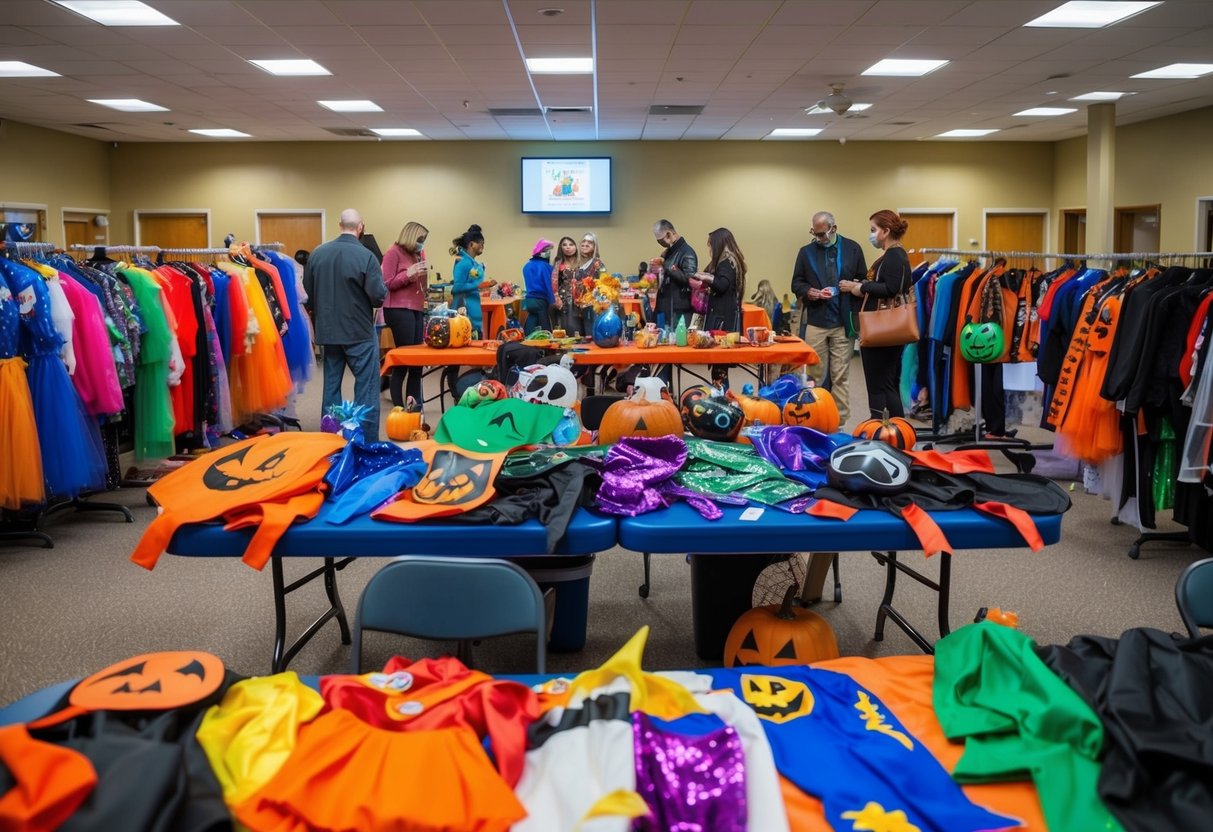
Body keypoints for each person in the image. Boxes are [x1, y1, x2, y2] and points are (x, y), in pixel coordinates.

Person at [303, 208, 386, 440]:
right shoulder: (366, 256)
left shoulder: (317, 254)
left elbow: (307, 292)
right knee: (367, 386)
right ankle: (366, 439)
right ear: (361, 228)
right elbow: (378, 296)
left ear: (340, 225)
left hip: (328, 331)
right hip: (358, 331)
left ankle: (329, 438)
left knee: (331, 386)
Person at [790, 210, 867, 425]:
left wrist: (852, 286)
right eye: (814, 234)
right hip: (816, 321)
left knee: (840, 375)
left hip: (843, 321)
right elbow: (796, 283)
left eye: (822, 234)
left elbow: (863, 280)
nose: (818, 238)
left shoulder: (853, 249)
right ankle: (812, 417)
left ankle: (839, 423)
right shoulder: (806, 252)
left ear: (833, 229)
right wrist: (810, 292)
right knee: (813, 374)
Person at [839, 209, 912, 419]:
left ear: (886, 231)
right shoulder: (893, 255)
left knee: (878, 386)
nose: (871, 234)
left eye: (873, 230)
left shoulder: (894, 256)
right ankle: (894, 431)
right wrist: (862, 285)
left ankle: (883, 430)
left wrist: (860, 287)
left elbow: (890, 289)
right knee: (887, 384)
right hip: (886, 328)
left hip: (883, 329)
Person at [381, 221, 429, 408]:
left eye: (424, 240)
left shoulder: (418, 254)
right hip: (398, 309)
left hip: (416, 308)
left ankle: (414, 406)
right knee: (404, 359)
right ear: (410, 237)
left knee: (417, 361)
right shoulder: (393, 252)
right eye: (420, 239)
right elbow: (387, 283)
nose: (422, 243)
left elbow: (420, 284)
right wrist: (408, 274)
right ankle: (399, 408)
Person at [694, 228, 745, 333]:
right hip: (726, 314)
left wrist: (706, 277)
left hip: (722, 318)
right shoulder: (731, 262)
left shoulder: (727, 262)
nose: (710, 249)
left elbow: (722, 285)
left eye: (711, 245)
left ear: (718, 244)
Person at [652, 219, 697, 330]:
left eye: (661, 241)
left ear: (668, 234)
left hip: (679, 310)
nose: (660, 244)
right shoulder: (670, 252)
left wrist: (665, 265)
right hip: (666, 307)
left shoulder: (687, 253)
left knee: (678, 342)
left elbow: (690, 280)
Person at [449, 224, 490, 336]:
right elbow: (457, 287)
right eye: (480, 244)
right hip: (465, 316)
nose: (482, 247)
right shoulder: (463, 262)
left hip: (473, 318)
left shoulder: (472, 262)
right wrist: (478, 285)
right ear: (471, 244)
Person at [572, 232, 606, 335]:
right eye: (583, 241)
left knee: (590, 335)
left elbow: (604, 285)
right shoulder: (576, 263)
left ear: (594, 247)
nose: (585, 244)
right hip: (576, 308)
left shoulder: (597, 263)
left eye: (590, 242)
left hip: (591, 307)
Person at [522, 238, 555, 334]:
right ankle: (548, 342)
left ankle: (526, 339)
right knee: (545, 325)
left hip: (529, 300)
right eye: (548, 251)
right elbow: (548, 285)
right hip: (540, 300)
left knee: (532, 320)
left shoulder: (527, 265)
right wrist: (553, 301)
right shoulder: (546, 267)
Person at [551, 236, 580, 334]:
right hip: (564, 301)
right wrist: (556, 298)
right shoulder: (558, 263)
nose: (568, 247)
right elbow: (554, 283)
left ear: (576, 247)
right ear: (561, 248)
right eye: (564, 245)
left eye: (571, 245)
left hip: (581, 300)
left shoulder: (582, 262)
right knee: (567, 327)